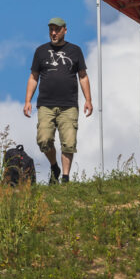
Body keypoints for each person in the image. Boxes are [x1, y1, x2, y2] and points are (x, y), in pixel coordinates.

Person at [23, 17, 93, 183]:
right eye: (51, 30)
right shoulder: (40, 51)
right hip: (45, 104)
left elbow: (83, 76)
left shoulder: (75, 51)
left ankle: (65, 178)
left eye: (57, 30)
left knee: (68, 143)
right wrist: (28, 101)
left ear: (65, 30)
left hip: (69, 105)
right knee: (44, 140)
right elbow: (33, 77)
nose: (53, 33)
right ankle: (54, 166)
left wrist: (88, 100)